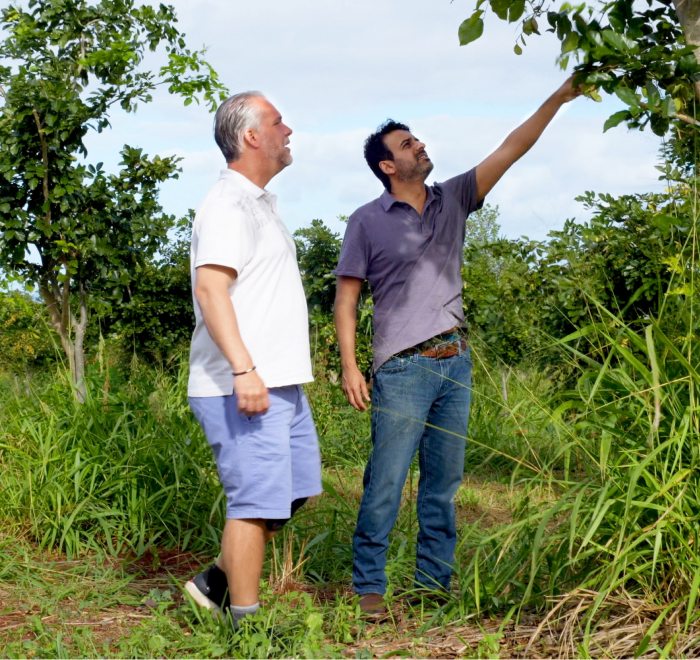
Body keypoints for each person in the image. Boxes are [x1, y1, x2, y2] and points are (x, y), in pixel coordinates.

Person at [333, 77, 582, 615]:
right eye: (406, 144)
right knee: (386, 482)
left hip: (456, 363)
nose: (418, 145)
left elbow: (513, 148)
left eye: (417, 139)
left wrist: (558, 99)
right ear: (387, 167)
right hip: (401, 370)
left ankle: (431, 586)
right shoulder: (367, 221)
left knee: (442, 488)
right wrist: (351, 366)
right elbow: (346, 302)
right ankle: (369, 587)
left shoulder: (455, 198)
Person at [183, 91, 322, 626]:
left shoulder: (259, 204)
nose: (289, 129)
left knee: (292, 494)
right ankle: (246, 629)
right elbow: (211, 290)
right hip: (239, 383)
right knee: (255, 504)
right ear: (250, 137)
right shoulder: (227, 204)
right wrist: (244, 369)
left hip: (278, 381)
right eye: (278, 121)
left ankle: (215, 580)